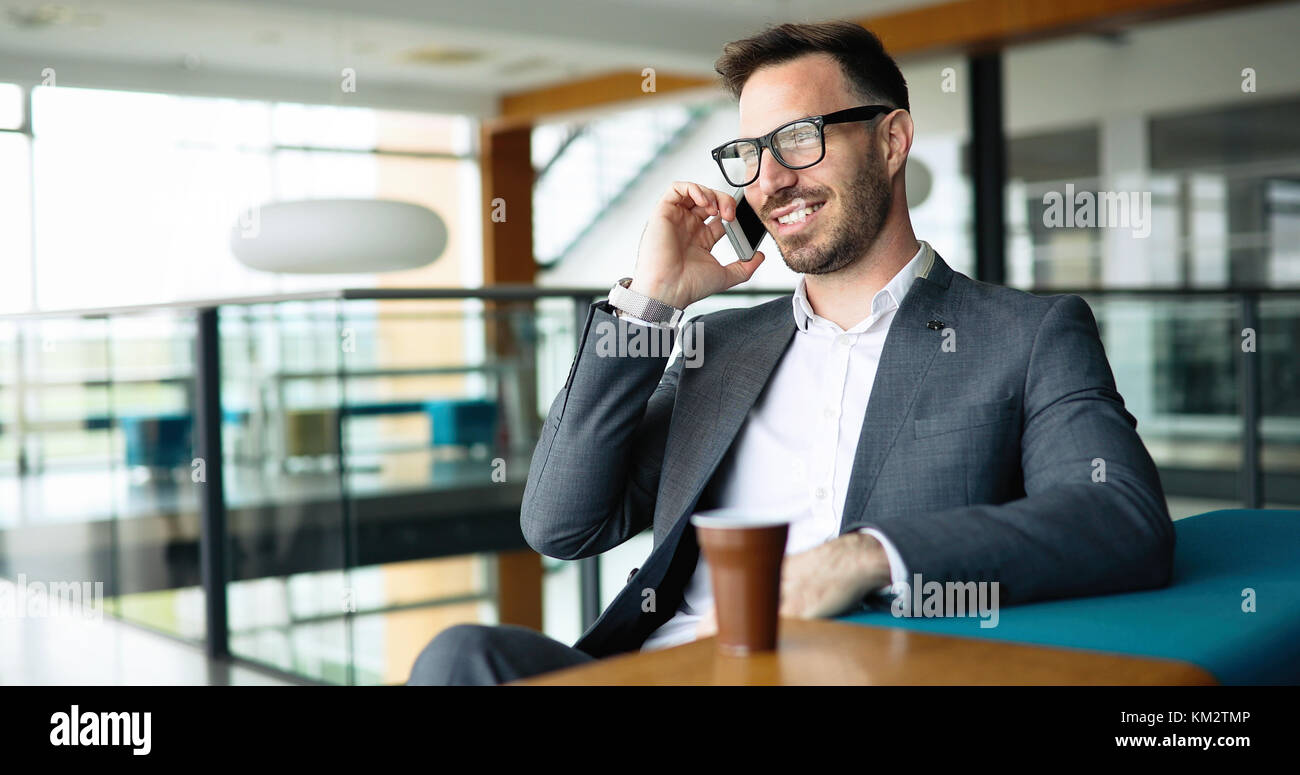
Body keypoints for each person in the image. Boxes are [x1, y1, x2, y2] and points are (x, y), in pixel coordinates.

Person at [407, 20, 1174, 686]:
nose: (772, 179)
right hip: (668, 666)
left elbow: (1122, 517)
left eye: (800, 140)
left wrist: (866, 556)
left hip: (848, 671)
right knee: (462, 656)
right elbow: (560, 524)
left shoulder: (1025, 335)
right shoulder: (722, 347)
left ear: (892, 139)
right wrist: (652, 300)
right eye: (750, 152)